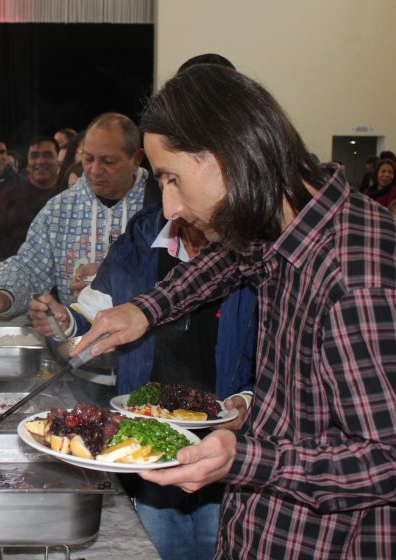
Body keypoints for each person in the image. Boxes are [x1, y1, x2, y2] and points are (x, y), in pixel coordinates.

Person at [73, 65, 396, 558]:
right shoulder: (283, 225)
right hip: (258, 530)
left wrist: (246, 458)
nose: (170, 208)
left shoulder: (358, 277)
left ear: (230, 155)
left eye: (173, 179)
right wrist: (144, 309)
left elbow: (384, 460)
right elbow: (225, 264)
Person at [32, 201, 256, 559]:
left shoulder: (253, 242)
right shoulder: (144, 234)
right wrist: (66, 323)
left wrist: (249, 398)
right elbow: (97, 312)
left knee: (219, 544)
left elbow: (277, 354)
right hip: (150, 440)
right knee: (158, 547)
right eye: (165, 181)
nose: (173, 204)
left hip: (229, 441)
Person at [0, 116, 149, 326]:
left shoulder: (156, 206)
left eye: (108, 161)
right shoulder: (61, 208)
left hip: (143, 341)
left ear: (136, 158)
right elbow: (30, 266)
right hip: (74, 336)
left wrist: (115, 280)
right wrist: (4, 293)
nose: (95, 170)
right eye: (88, 159)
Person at [0, 135, 61, 262]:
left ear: (58, 159)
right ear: (28, 162)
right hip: (18, 277)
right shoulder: (9, 197)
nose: (40, 161)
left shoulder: (67, 196)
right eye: (34, 156)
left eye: (47, 155)